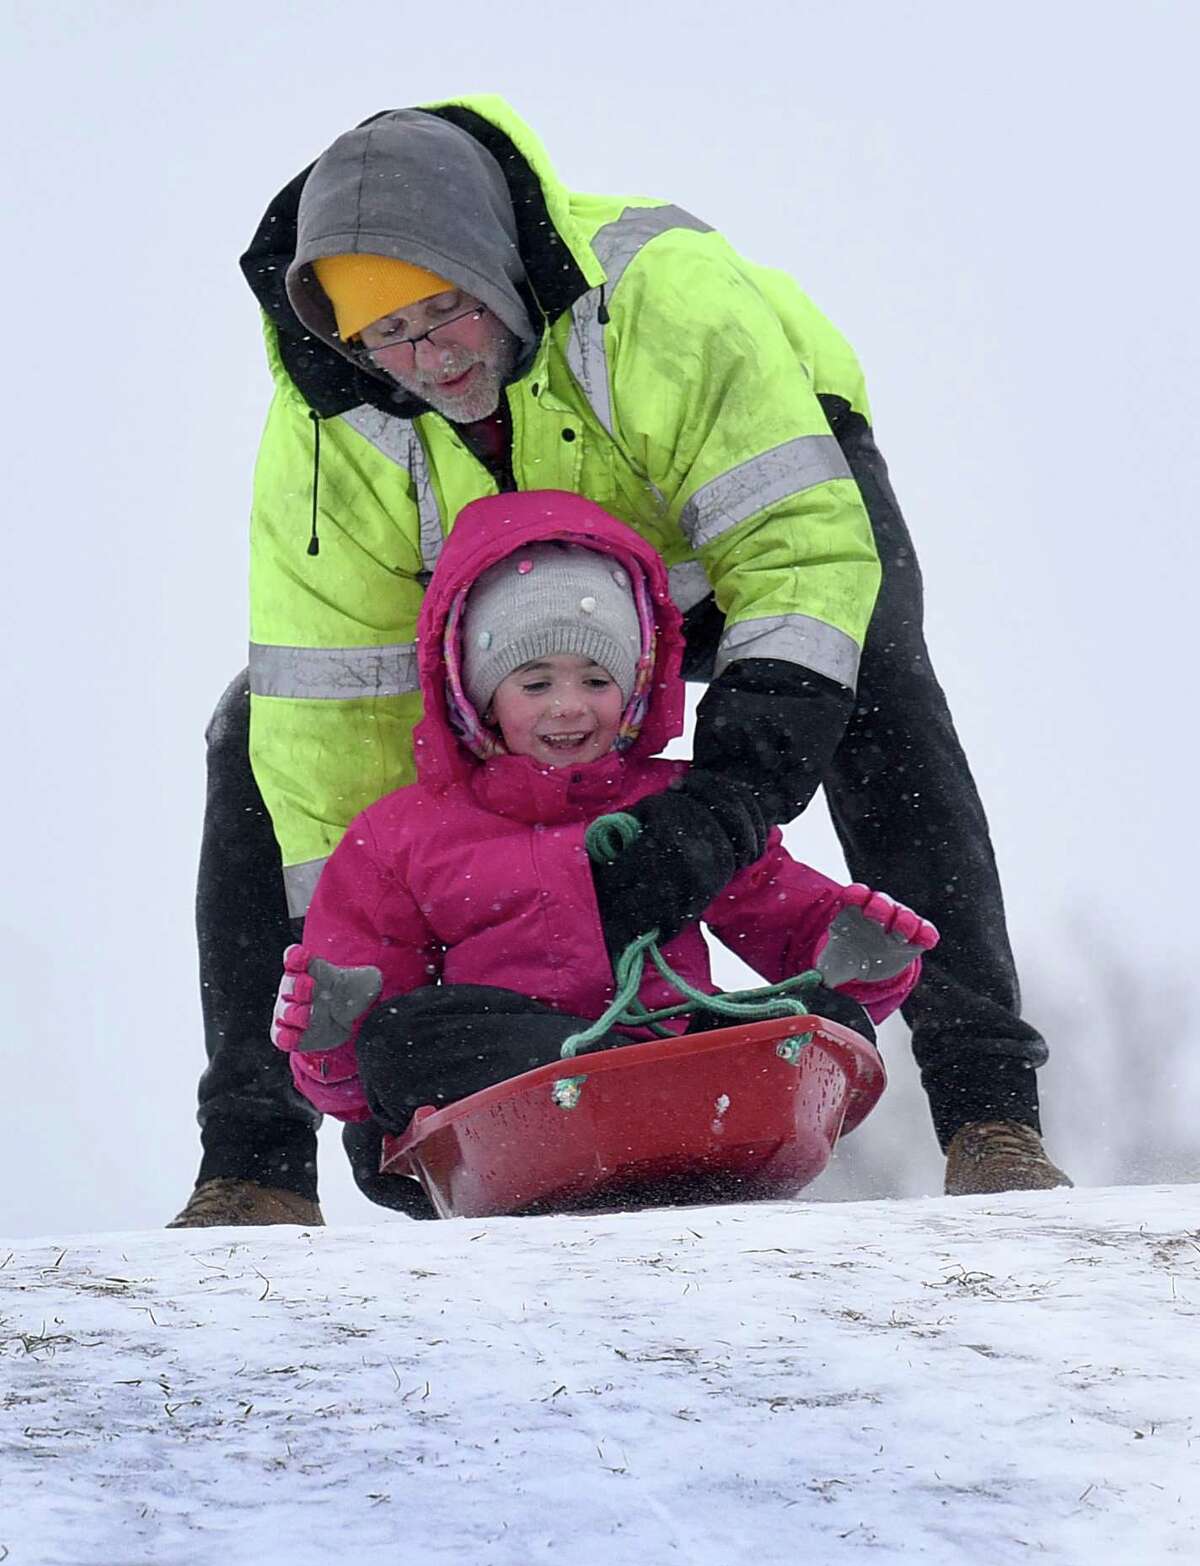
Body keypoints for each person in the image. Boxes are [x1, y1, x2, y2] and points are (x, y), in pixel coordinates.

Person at [171, 97, 1067, 1229]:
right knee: (250, 726)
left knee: (874, 672)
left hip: (716, 553)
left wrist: (725, 804)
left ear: (496, 273)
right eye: (387, 336)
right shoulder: (329, 433)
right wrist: (361, 1025)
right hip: (503, 612)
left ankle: (991, 1116)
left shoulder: (667, 301)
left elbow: (800, 562)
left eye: (446, 313)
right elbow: (329, 729)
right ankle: (253, 1167)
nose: (429, 358)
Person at [267, 490, 936, 1193]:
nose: (569, 706)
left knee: (818, 1019)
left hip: (667, 1052)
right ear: (479, 695)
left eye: (595, 679)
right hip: (515, 1073)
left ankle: (637, 1092)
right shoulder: (405, 834)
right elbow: (358, 1073)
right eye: (535, 683)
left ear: (636, 686)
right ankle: (594, 1087)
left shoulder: (677, 810)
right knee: (399, 1036)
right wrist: (334, 1035)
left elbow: (781, 912)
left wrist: (854, 955)